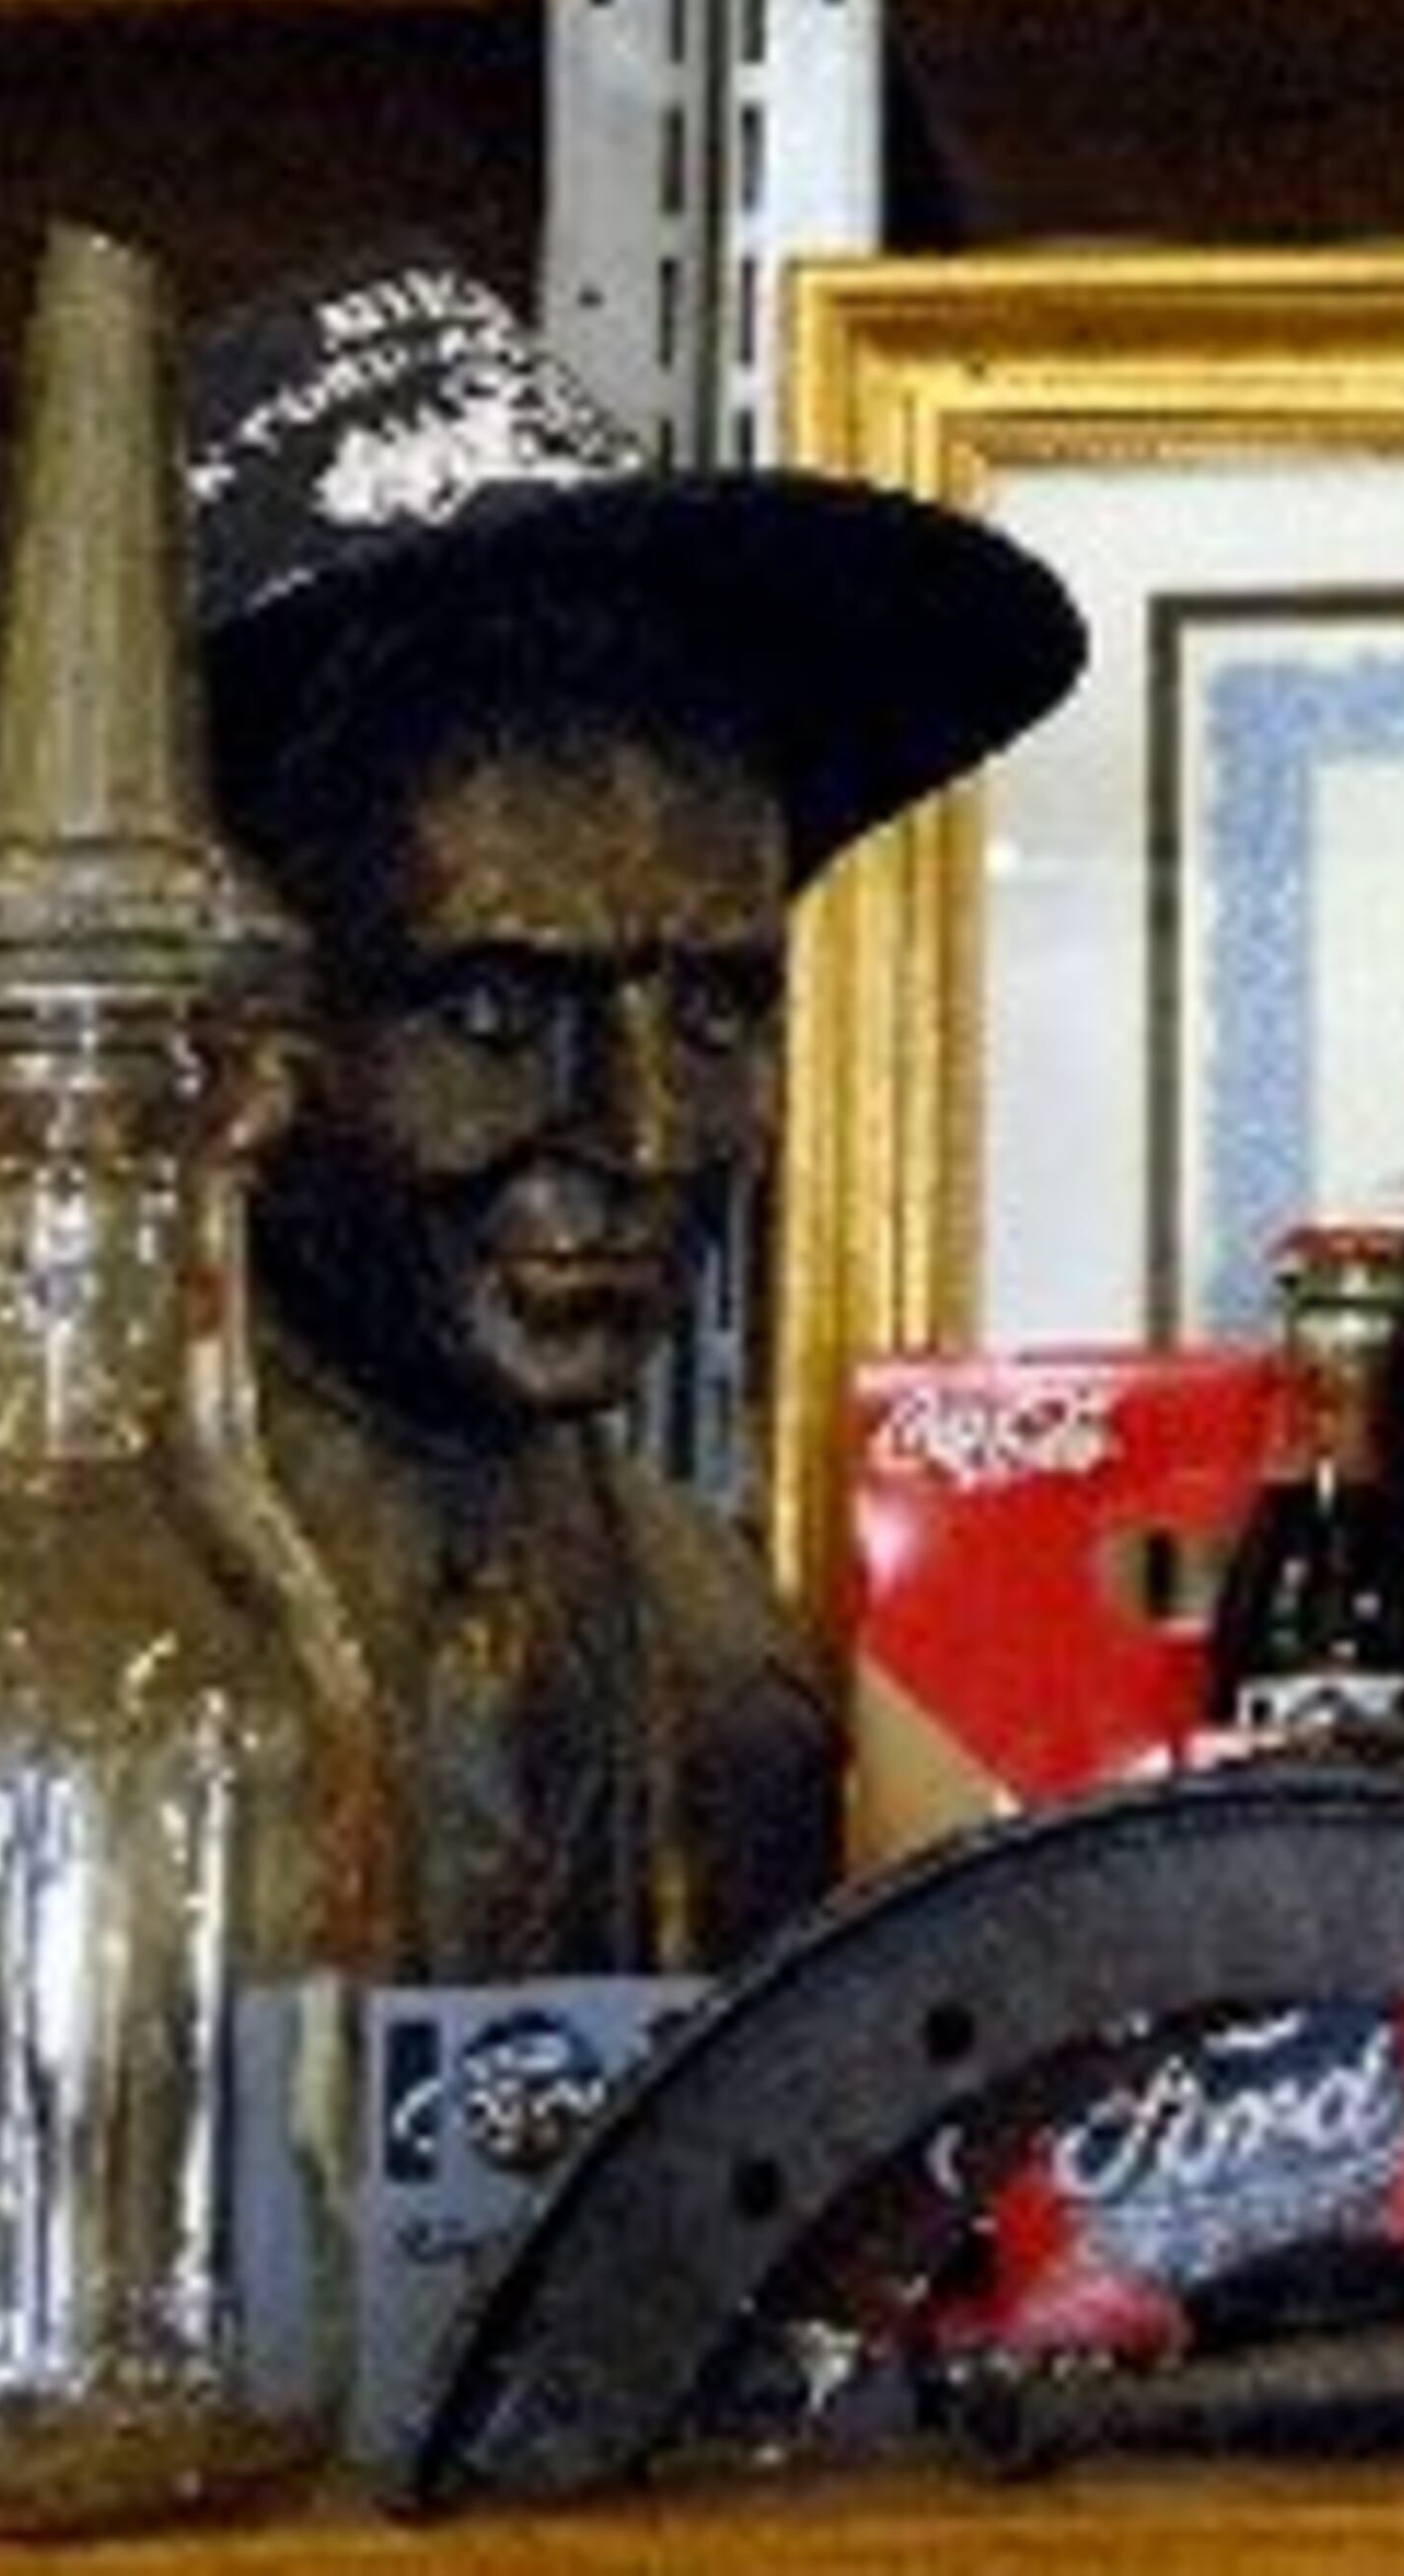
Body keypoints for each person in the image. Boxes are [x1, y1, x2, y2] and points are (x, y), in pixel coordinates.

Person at [181, 250, 1085, 1985]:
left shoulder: (724, 1680)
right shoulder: (9, 1641)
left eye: (720, 1004)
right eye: (495, 1009)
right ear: (219, 1021)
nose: (652, 1132)